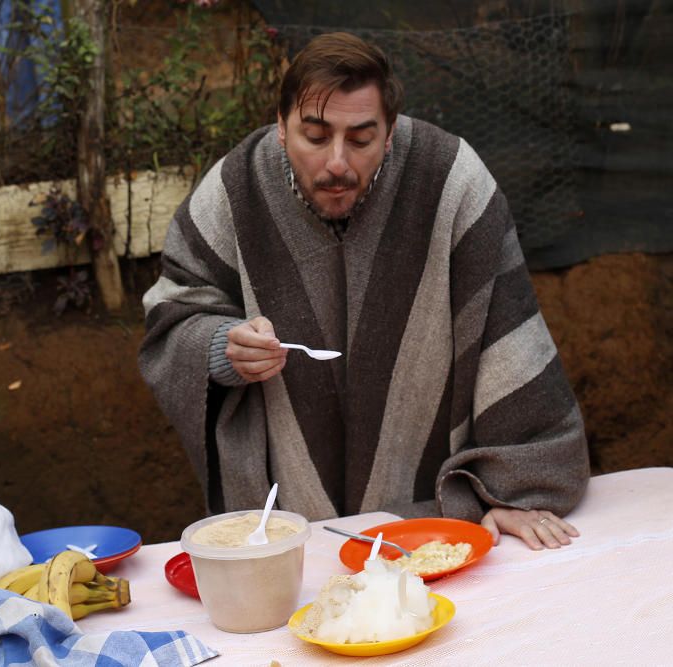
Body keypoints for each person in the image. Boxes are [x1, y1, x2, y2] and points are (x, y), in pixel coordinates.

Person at [138, 32, 590, 551]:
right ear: (281, 127)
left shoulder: (450, 182)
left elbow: (503, 328)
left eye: (360, 139)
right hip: (291, 537)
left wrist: (513, 485)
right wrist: (223, 349)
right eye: (315, 135)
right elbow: (173, 317)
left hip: (433, 528)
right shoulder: (233, 191)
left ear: (390, 132)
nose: (337, 163)